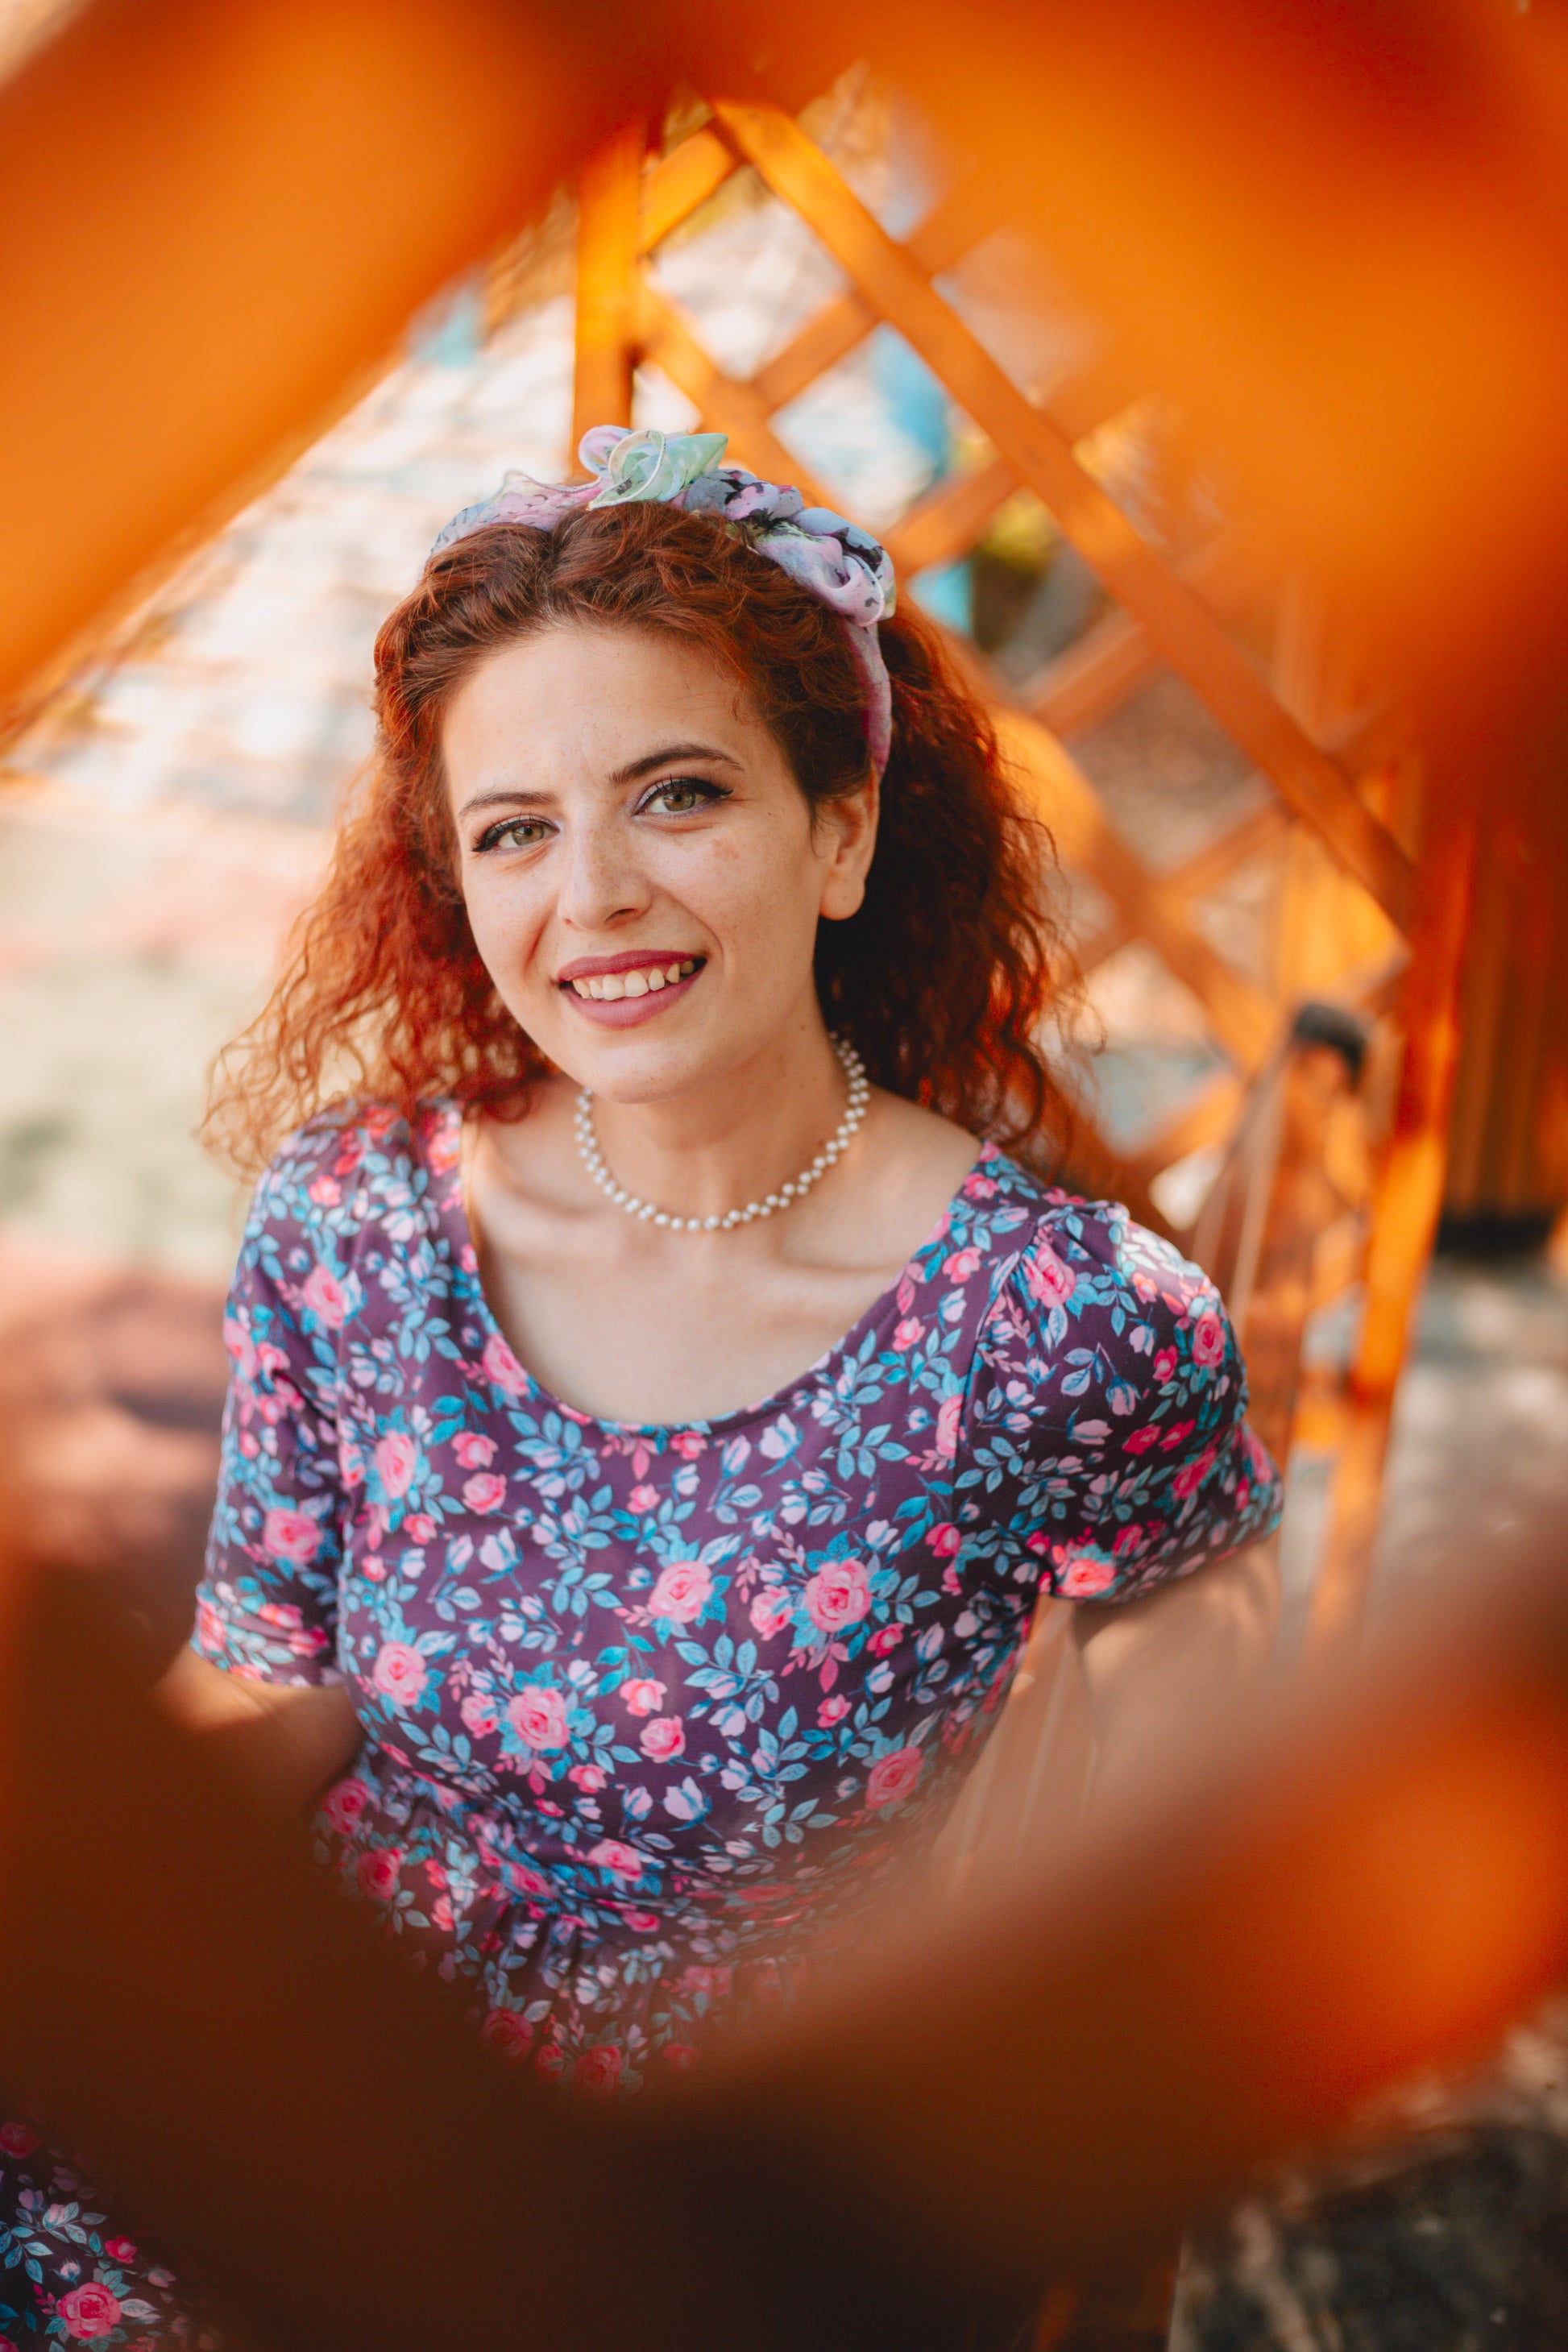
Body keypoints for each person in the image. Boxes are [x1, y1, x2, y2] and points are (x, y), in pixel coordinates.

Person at [0, 426, 1280, 2341]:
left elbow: (1180, 1863)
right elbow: (268, 1678)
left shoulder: (1064, 1323)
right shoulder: (358, 1218)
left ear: (838, 829)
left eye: (674, 794)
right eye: (513, 826)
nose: (590, 893)